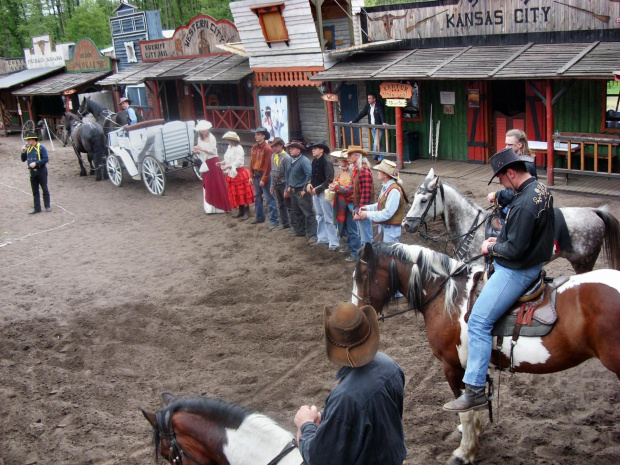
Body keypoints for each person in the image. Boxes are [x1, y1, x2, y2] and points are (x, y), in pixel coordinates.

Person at [443, 147, 554, 413]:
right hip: (532, 260)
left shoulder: (524, 204)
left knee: (479, 322)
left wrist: (489, 248)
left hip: (518, 270)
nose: (502, 184)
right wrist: (500, 239)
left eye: (502, 179)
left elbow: (515, 250)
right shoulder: (540, 191)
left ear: (512, 173)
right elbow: (520, 238)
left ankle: (475, 389)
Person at [294, 302, 407, 465]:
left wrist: (305, 425)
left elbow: (319, 458)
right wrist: (327, 416)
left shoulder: (344, 398)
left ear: (332, 343)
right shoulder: (390, 367)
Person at [356, 159, 407, 243]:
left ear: (386, 175)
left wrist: (367, 214)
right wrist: (367, 208)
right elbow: (380, 204)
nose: (378, 172)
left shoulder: (393, 191)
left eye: (380, 171)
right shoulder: (388, 188)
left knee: (388, 254)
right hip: (387, 228)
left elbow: (387, 213)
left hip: (390, 231)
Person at [487, 129, 538, 209]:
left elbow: (519, 193)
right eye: (506, 144)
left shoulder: (525, 165)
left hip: (523, 208)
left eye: (510, 145)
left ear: (519, 145)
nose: (506, 147)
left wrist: (496, 195)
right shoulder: (518, 162)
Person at [192, 120, 231, 214]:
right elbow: (202, 151)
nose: (203, 131)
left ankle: (221, 206)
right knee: (208, 184)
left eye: (205, 129)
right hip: (205, 162)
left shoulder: (212, 137)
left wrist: (201, 149)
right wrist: (197, 151)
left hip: (213, 162)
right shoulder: (199, 139)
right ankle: (210, 207)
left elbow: (213, 151)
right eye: (202, 129)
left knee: (217, 183)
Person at [307, 141, 339, 250]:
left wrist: (317, 189)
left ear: (321, 150)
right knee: (320, 216)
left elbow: (329, 180)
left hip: (325, 193)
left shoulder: (326, 162)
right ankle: (323, 238)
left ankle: (334, 243)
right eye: (313, 148)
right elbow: (313, 176)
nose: (312, 150)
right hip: (316, 192)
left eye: (315, 148)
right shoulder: (315, 161)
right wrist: (310, 183)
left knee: (328, 217)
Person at [285, 140, 317, 241]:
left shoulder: (304, 161)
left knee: (308, 213)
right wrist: (288, 186)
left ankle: (313, 235)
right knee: (296, 211)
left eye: (293, 148)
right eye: (290, 148)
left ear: (299, 150)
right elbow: (288, 174)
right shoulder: (290, 160)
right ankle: (300, 231)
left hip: (301, 190)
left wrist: (305, 189)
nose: (290, 150)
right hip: (294, 190)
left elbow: (309, 175)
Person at [218, 131, 254, 220]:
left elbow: (238, 162)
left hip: (239, 173)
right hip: (232, 173)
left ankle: (246, 211)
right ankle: (240, 210)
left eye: (229, 140)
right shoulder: (229, 148)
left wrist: (228, 166)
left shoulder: (239, 148)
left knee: (243, 192)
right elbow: (227, 159)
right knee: (236, 192)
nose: (228, 142)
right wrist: (221, 163)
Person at [347, 146, 375, 253]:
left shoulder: (363, 171)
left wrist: (360, 210)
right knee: (362, 235)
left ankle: (368, 258)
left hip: (363, 207)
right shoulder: (359, 170)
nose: (348, 157)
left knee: (366, 237)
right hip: (360, 206)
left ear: (357, 156)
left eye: (351, 154)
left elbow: (366, 193)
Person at [249, 127, 277, 226]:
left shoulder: (267, 149)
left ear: (263, 136)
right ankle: (260, 217)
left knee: (269, 198)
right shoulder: (254, 147)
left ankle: (274, 220)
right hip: (257, 175)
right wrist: (251, 176)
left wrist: (264, 179)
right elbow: (252, 162)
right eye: (256, 134)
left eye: (258, 134)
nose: (256, 136)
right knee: (257, 197)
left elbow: (269, 166)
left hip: (264, 175)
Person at [349, 93, 389, 160]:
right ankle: (381, 157)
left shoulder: (379, 105)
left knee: (376, 143)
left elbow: (381, 113)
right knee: (378, 143)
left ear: (374, 99)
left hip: (379, 127)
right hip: (372, 128)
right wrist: (353, 121)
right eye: (368, 98)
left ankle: (374, 156)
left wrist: (383, 122)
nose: (368, 100)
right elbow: (362, 114)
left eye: (370, 98)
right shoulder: (368, 106)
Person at [21, 131, 51, 214]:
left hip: (41, 171)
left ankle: (47, 206)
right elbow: (23, 159)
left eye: (29, 140)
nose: (27, 141)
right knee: (35, 190)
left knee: (44, 188)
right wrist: (23, 151)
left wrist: (36, 163)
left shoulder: (41, 148)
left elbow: (46, 159)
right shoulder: (28, 149)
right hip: (32, 172)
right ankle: (37, 208)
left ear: (33, 139)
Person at [269, 137, 291, 230]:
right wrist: (272, 185)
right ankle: (285, 223)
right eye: (273, 146)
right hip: (277, 182)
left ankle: (293, 224)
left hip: (284, 182)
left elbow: (288, 174)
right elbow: (273, 171)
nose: (274, 148)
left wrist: (287, 188)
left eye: (276, 146)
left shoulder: (286, 157)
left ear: (281, 146)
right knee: (281, 204)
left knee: (289, 204)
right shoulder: (274, 156)